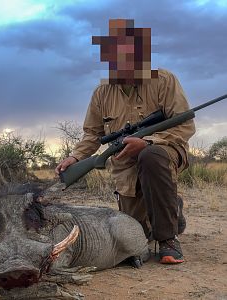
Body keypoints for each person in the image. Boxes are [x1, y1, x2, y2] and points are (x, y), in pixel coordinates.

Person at [55, 19, 195, 264]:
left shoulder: (165, 80)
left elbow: (185, 125)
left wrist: (149, 142)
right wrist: (76, 157)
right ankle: (172, 210)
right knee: (137, 234)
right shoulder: (101, 92)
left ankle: (168, 239)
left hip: (166, 151)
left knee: (151, 157)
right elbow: (92, 135)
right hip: (124, 164)